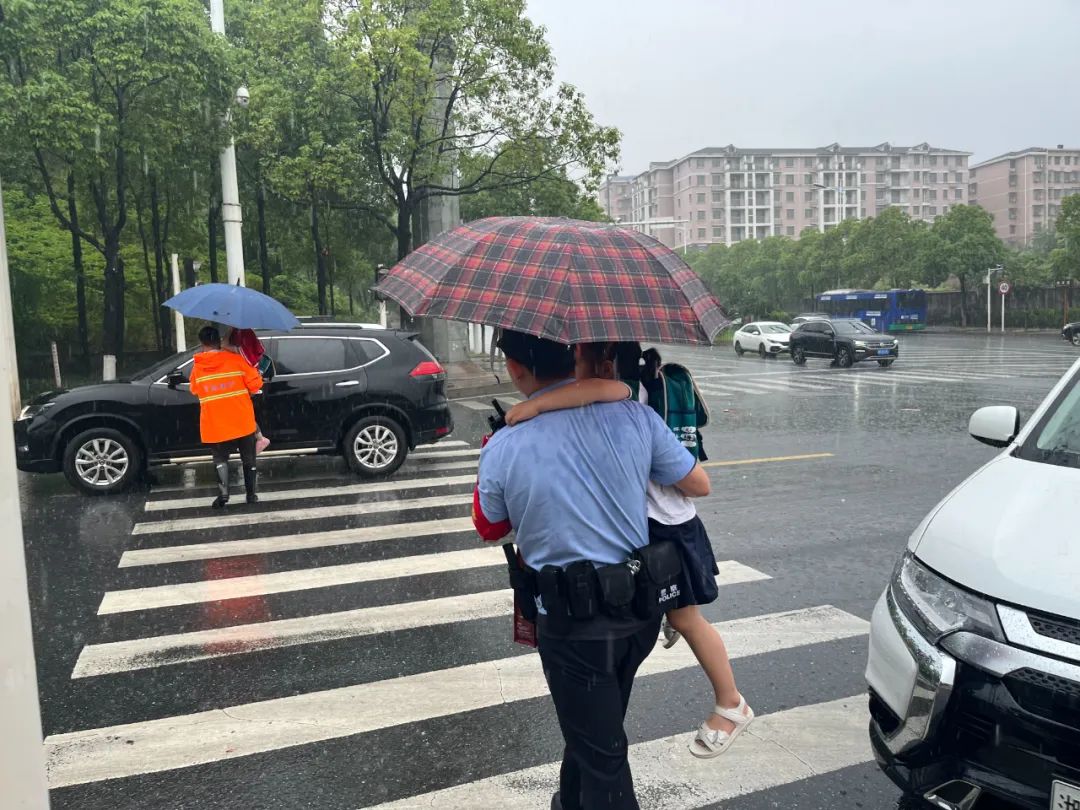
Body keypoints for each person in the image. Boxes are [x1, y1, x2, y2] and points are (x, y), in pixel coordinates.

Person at [474, 330, 711, 810]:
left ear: (516, 368)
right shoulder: (638, 417)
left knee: (603, 754)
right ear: (573, 355)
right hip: (637, 613)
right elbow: (692, 480)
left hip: (572, 625)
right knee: (593, 730)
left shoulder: (506, 441)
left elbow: (489, 524)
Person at [506, 342, 755, 759]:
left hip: (670, 531)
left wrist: (535, 406)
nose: (571, 365)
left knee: (688, 619)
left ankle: (731, 703)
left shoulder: (624, 395)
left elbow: (698, 483)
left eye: (577, 356)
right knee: (674, 615)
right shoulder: (627, 396)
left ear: (604, 364)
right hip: (653, 533)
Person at [189, 325, 265, 508]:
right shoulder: (237, 361)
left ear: (202, 343)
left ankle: (223, 494)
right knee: (248, 458)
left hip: (215, 422)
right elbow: (255, 386)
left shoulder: (198, 368)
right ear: (218, 340)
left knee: (220, 458)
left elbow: (194, 390)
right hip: (241, 420)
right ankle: (251, 495)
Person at [225, 327, 271, 454]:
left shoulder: (241, 333)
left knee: (242, 412)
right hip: (250, 376)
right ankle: (257, 439)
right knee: (243, 412)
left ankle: (258, 439)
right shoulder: (246, 332)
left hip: (248, 377)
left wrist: (226, 338)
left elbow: (232, 348)